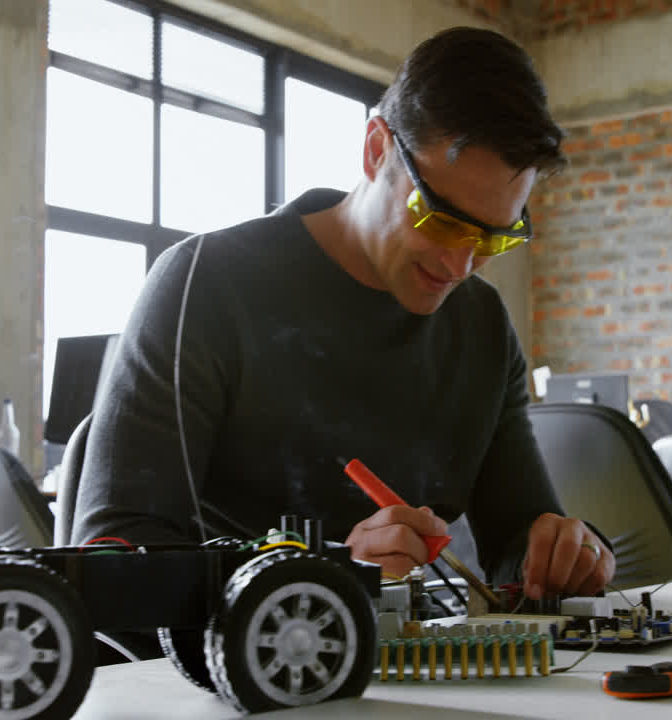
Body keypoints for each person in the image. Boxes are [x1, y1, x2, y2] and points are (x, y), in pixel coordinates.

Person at [71, 26, 615, 601]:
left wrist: (558, 555)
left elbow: (514, 546)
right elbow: (115, 556)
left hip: (417, 674)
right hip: (219, 671)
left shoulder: (480, 324)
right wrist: (324, 578)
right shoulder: (208, 284)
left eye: (494, 239)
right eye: (442, 221)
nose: (461, 266)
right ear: (376, 150)